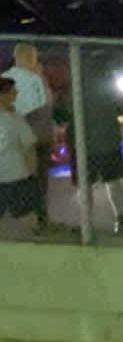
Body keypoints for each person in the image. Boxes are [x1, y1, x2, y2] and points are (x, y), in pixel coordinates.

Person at [71, 50, 123, 235]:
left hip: (83, 142)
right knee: (113, 181)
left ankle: (86, 222)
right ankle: (120, 218)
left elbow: (63, 112)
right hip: (108, 141)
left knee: (85, 184)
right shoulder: (109, 86)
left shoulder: (76, 85)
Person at [2, 44, 50, 231]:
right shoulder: (35, 79)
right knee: (36, 180)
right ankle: (39, 219)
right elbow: (44, 105)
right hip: (34, 135)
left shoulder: (5, 77)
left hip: (10, 135)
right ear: (30, 58)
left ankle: (16, 215)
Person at [0, 78, 41, 237]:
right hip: (16, 175)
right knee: (28, 216)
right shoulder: (14, 119)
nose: (16, 94)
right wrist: (32, 172)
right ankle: (34, 239)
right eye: (12, 92)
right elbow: (29, 146)